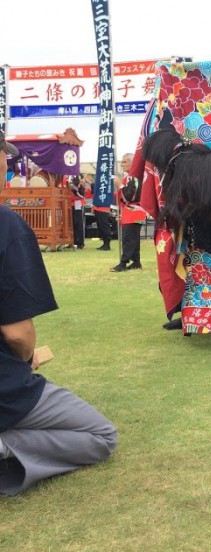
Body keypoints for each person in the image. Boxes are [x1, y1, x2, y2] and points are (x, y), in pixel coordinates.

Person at [0, 132, 117, 496]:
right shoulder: (6, 226)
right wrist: (25, 360)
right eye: (1, 155)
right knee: (100, 435)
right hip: (4, 385)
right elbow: (17, 334)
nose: (7, 163)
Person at [111, 153, 147, 272]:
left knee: (128, 238)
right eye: (122, 161)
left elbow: (130, 197)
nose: (122, 164)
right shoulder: (131, 177)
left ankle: (123, 263)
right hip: (132, 212)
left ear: (133, 163)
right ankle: (136, 262)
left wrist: (119, 185)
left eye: (125, 161)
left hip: (133, 211)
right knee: (133, 239)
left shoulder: (134, 177)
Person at [68, 175, 86, 249]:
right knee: (70, 223)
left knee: (78, 223)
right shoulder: (65, 176)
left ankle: (79, 242)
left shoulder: (79, 176)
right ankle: (72, 241)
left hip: (77, 202)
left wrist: (73, 187)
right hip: (68, 203)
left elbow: (81, 193)